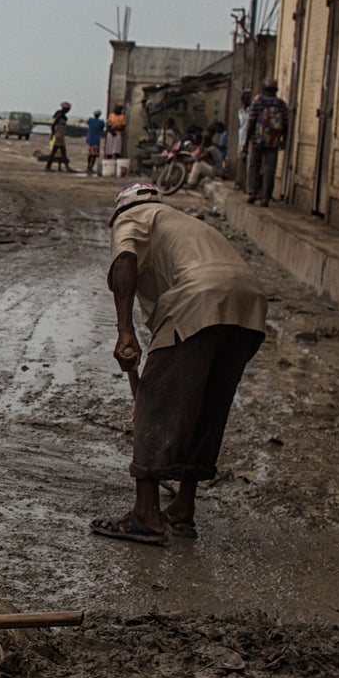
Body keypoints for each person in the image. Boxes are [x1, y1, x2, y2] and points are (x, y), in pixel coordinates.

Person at [93, 182, 267, 545]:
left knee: (154, 403)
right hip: (249, 307)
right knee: (207, 407)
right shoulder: (184, 222)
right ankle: (182, 510)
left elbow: (124, 262)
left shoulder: (132, 217)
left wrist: (125, 332)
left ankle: (146, 514)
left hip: (197, 298)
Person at [245, 79, 289, 206]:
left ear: (263, 88)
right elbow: (286, 124)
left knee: (255, 165)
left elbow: (251, 122)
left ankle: (253, 192)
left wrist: (246, 142)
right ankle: (265, 198)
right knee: (270, 169)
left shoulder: (258, 102)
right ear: (276, 90)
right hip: (273, 141)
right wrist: (284, 140)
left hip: (258, 140)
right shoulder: (281, 104)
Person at [43, 102, 74, 172]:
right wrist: (52, 134)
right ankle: (48, 167)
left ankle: (65, 167)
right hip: (58, 135)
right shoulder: (60, 115)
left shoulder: (62, 115)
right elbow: (53, 125)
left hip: (60, 134)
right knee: (59, 151)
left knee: (61, 152)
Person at [104, 105, 127, 177]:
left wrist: (116, 129)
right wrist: (111, 130)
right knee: (109, 150)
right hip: (111, 134)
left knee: (117, 151)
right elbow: (108, 124)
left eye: (117, 109)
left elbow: (123, 127)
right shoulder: (111, 115)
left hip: (117, 135)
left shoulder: (122, 117)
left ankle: (116, 169)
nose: (115, 110)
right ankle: (108, 167)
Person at [84, 109, 106, 176]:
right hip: (96, 140)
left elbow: (87, 123)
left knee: (90, 154)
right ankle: (90, 167)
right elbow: (102, 129)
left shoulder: (90, 120)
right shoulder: (101, 122)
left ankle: (88, 166)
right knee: (94, 155)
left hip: (90, 139)